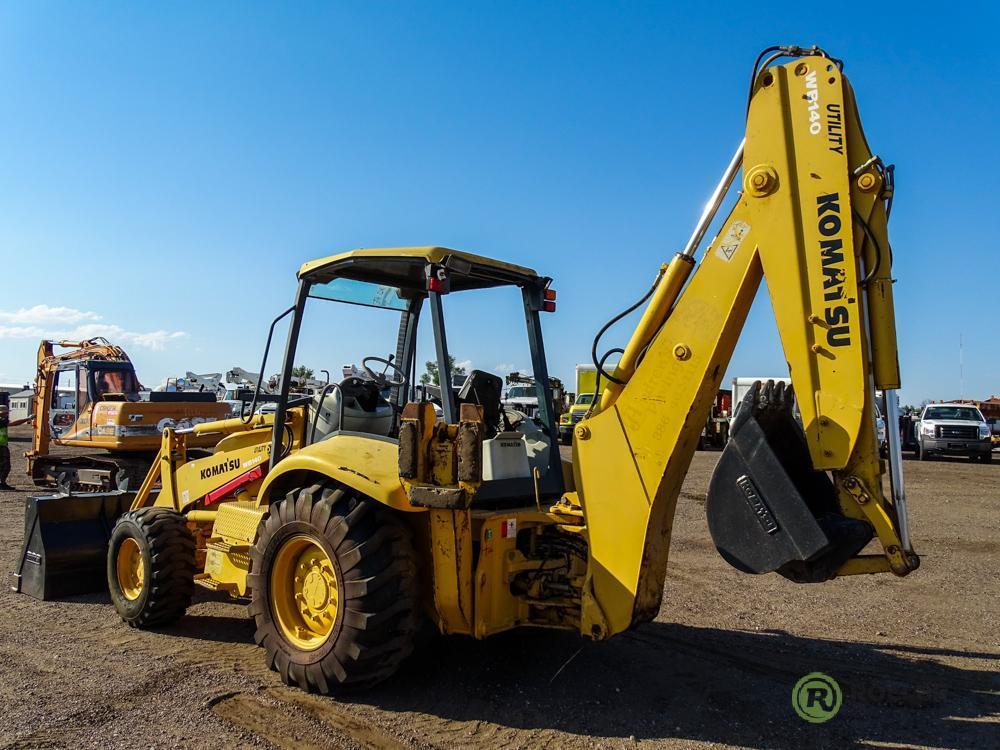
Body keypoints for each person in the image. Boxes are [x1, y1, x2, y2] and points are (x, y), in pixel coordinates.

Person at [0, 404, 13, 491]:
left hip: (3, 446)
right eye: (5, 413)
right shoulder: (1, 422)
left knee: (3, 466)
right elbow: (14, 423)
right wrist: (28, 419)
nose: (7, 414)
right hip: (1, 447)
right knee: (5, 466)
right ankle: (2, 484)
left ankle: (2, 483)